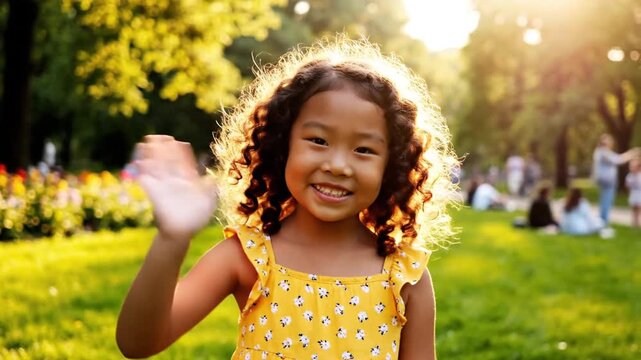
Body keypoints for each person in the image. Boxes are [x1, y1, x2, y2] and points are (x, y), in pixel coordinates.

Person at [116, 38, 459, 359]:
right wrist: (171, 238)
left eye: (364, 149)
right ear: (282, 145)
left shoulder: (405, 275)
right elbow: (138, 343)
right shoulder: (248, 257)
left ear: (393, 166)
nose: (338, 166)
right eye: (318, 141)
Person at [592, 134, 640, 224]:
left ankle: (602, 220)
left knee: (605, 200)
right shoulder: (603, 152)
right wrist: (632, 153)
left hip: (605, 181)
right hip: (607, 181)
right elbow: (617, 159)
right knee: (606, 201)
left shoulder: (600, 152)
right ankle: (603, 221)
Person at [625, 159, 641, 227]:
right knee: (633, 209)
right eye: (631, 166)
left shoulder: (639, 176)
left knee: (638, 209)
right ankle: (634, 223)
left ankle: (637, 222)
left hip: (639, 194)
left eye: (634, 167)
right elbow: (627, 185)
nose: (632, 168)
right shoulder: (629, 176)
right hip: (633, 194)